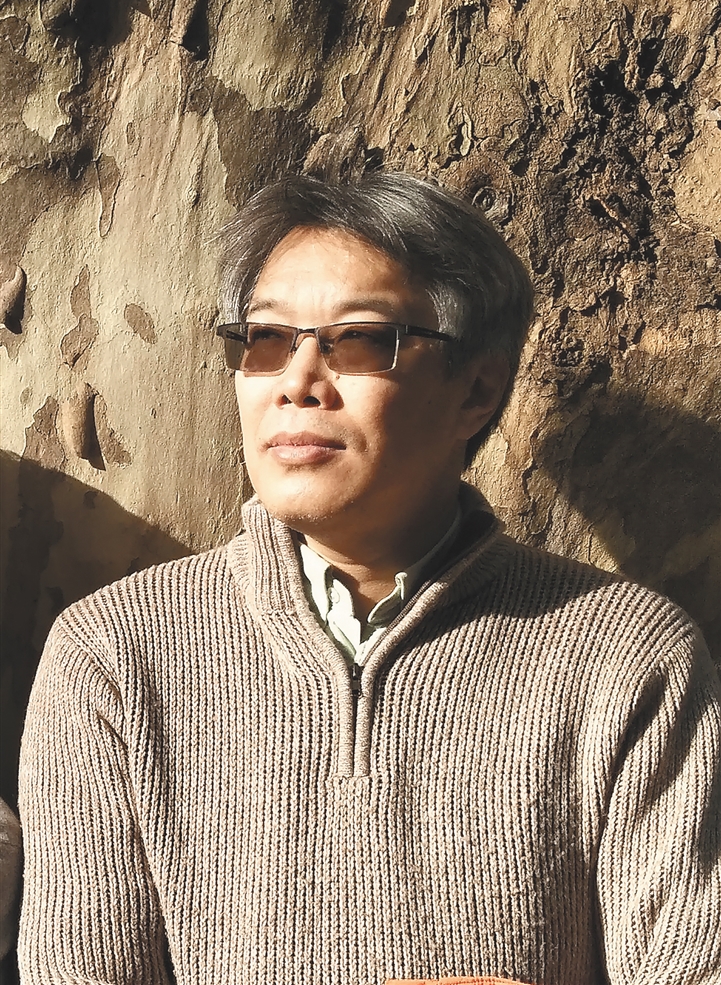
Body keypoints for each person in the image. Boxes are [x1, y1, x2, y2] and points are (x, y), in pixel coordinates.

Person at [18, 173, 720, 985]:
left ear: (477, 388)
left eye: (356, 340)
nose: (297, 382)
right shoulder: (112, 655)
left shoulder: (626, 655)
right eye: (265, 340)